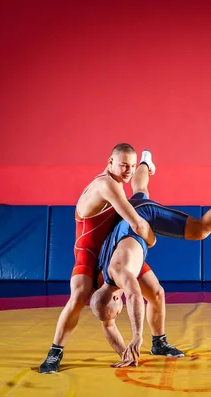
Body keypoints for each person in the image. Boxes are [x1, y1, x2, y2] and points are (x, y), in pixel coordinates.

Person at [89, 174, 211, 366]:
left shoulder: (121, 273)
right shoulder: (102, 286)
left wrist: (137, 336)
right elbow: (108, 324)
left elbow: (134, 297)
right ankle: (159, 343)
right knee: (156, 293)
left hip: (142, 218)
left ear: (116, 298)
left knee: (200, 229)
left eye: (117, 313)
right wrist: (125, 354)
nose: (117, 316)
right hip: (128, 229)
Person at [39, 143, 158, 374]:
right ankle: (55, 352)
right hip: (89, 251)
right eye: (124, 165)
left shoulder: (116, 183)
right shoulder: (107, 185)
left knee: (155, 291)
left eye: (132, 166)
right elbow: (136, 223)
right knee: (80, 295)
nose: (127, 171)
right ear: (110, 161)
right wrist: (152, 241)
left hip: (112, 246)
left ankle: (146, 162)